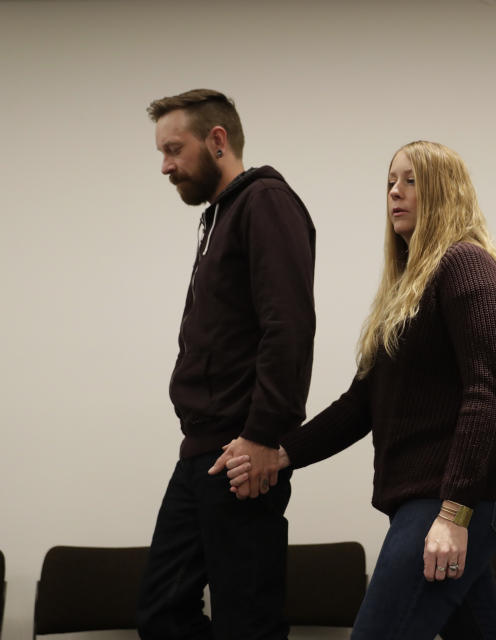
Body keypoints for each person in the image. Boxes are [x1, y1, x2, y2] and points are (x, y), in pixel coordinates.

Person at [212, 140, 496, 639]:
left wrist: (453, 512)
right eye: (389, 183)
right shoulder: (409, 289)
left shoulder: (466, 266)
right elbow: (361, 405)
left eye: (410, 181)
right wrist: (281, 454)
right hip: (426, 501)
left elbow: (489, 395)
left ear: (444, 191)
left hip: (455, 500)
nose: (395, 194)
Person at [139, 89, 316, 640]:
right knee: (161, 612)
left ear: (217, 141)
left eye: (174, 149)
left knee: (248, 625)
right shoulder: (220, 215)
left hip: (241, 454)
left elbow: (288, 327)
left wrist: (263, 436)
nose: (165, 166)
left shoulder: (264, 202)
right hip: (200, 453)